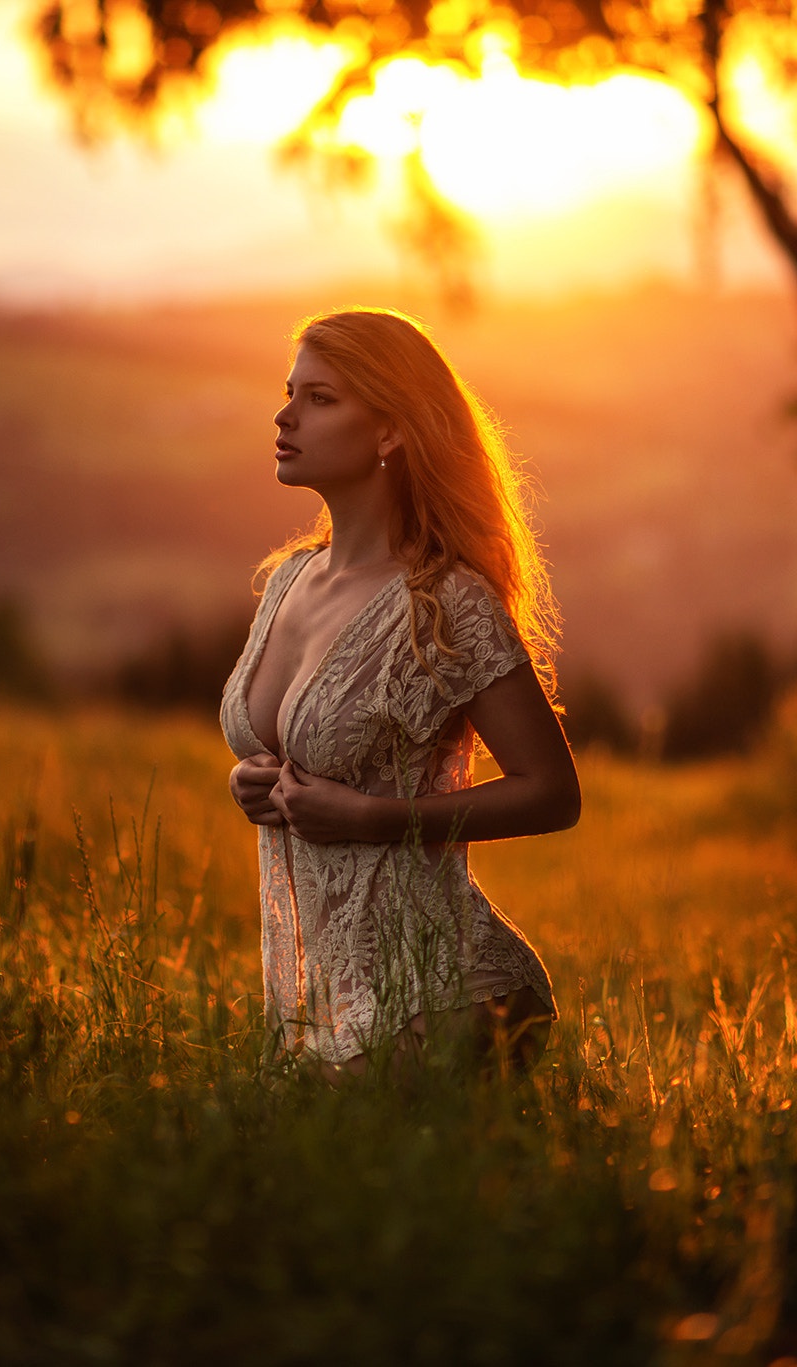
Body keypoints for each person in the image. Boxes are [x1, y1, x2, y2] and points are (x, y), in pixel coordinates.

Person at [219, 307, 580, 1076]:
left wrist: (377, 817)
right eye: (289, 393)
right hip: (331, 1007)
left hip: (452, 993)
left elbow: (553, 792)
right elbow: (288, 748)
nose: (284, 416)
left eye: (321, 398)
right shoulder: (287, 581)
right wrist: (250, 781)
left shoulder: (446, 601)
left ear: (389, 431)